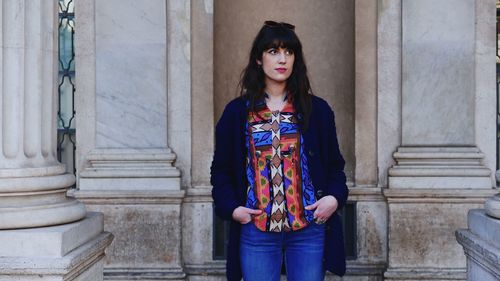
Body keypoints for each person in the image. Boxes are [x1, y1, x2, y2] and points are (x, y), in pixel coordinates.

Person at [211, 20, 348, 281]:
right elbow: (221, 171)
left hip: (308, 229)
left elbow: (334, 167)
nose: (282, 59)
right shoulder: (237, 112)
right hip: (256, 230)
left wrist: (334, 198)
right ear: (258, 60)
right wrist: (233, 209)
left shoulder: (316, 110)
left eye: (288, 52)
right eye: (273, 51)